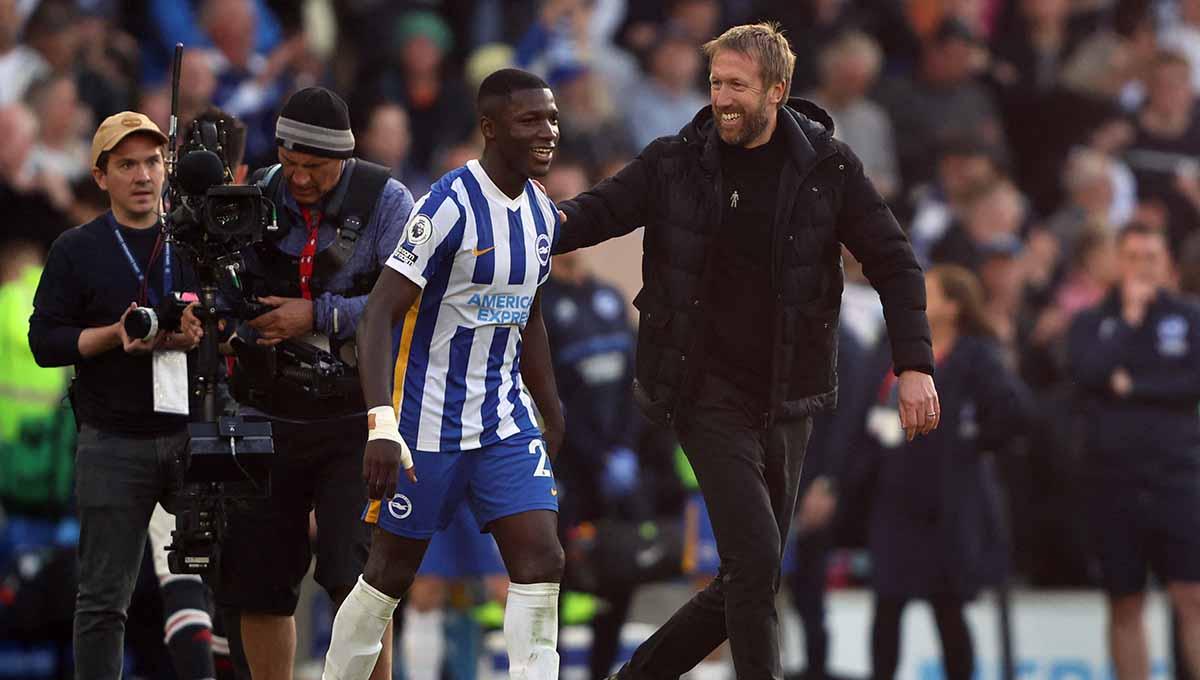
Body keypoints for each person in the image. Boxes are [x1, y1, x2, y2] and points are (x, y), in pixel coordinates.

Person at [552, 22, 940, 680]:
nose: (722, 97)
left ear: (777, 92)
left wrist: (915, 366)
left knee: (750, 574)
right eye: (715, 83)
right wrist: (527, 221)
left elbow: (897, 265)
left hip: (789, 392)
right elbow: (594, 213)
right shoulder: (675, 159)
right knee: (757, 564)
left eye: (737, 85)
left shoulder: (829, 167)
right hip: (701, 389)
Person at [321, 67, 566, 680]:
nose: (548, 131)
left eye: (553, 118)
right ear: (490, 127)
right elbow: (379, 314)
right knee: (388, 576)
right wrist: (382, 423)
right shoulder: (447, 205)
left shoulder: (542, 214)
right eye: (530, 120)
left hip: (503, 422)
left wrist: (551, 406)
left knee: (542, 557)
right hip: (424, 427)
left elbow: (527, 314)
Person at [211, 87, 413, 680]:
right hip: (264, 408)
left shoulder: (388, 200)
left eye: (315, 169)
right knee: (258, 579)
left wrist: (318, 314)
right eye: (290, 163)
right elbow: (221, 284)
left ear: (344, 160)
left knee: (359, 579)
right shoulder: (254, 193)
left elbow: (405, 298)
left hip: (353, 412)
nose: (298, 178)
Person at [27, 111, 206, 680]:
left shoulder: (194, 238)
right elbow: (44, 341)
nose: (142, 175)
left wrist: (201, 332)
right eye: (126, 164)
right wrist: (115, 335)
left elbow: (236, 324)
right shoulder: (77, 249)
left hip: (191, 434)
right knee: (103, 600)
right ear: (101, 176)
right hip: (112, 440)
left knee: (227, 586)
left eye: (152, 161)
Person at [866, 265, 1030, 680]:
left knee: (949, 609)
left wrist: (972, 440)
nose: (922, 301)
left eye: (932, 293)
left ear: (955, 306)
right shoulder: (895, 350)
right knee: (887, 607)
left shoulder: (976, 355)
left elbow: (1016, 412)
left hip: (951, 503)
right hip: (897, 497)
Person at [1066, 222, 1200, 680]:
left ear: (1165, 263)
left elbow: (1192, 382)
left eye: (1151, 257)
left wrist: (1134, 386)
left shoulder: (1190, 317)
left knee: (1192, 594)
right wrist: (1126, 321)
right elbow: (1086, 374)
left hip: (1178, 477)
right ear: (1116, 262)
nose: (1142, 266)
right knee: (1124, 600)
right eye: (1133, 256)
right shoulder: (1092, 321)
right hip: (1113, 480)